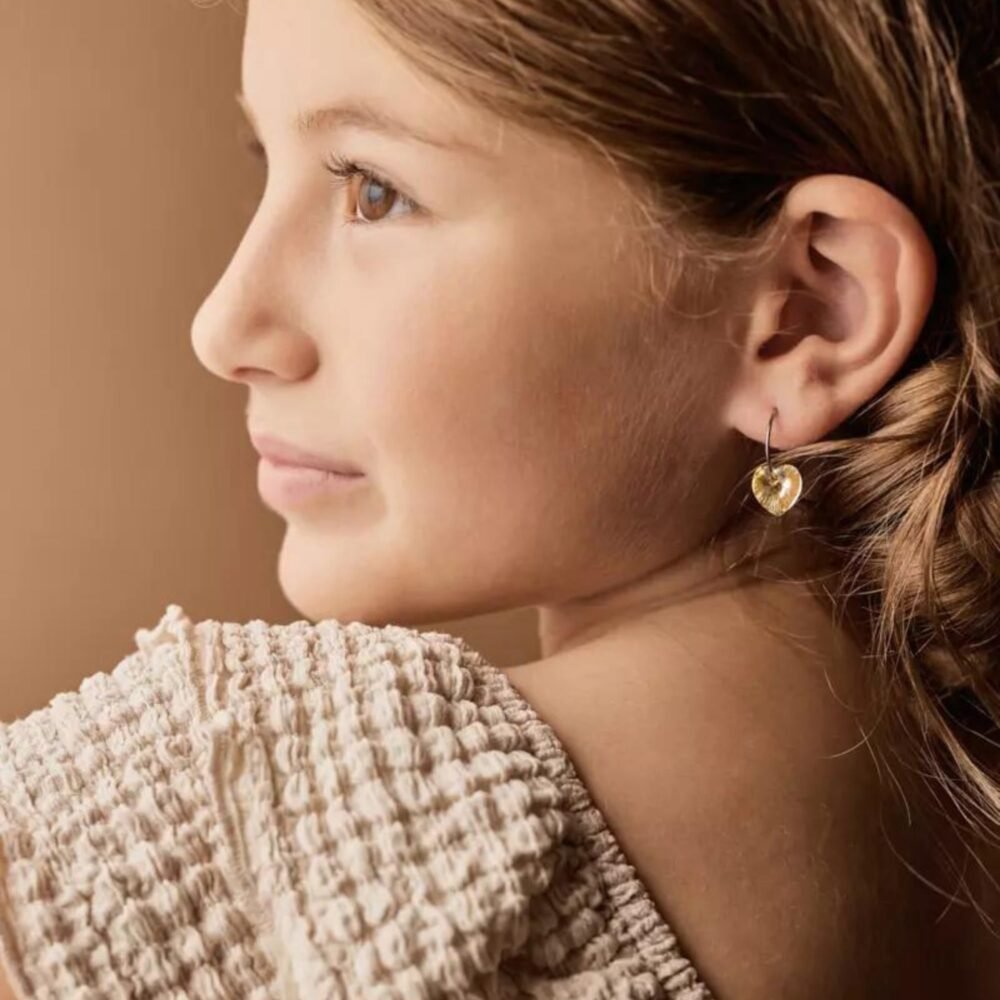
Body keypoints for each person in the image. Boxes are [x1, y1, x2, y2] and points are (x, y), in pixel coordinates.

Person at [1, 0, 999, 996]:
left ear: (808, 310)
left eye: (374, 191)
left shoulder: (249, 797)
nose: (224, 325)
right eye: (265, 162)